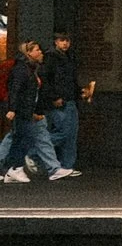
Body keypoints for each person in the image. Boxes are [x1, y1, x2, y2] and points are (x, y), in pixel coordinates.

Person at [0, 38, 72, 184]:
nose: (41, 52)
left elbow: (34, 94)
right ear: (29, 53)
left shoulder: (32, 68)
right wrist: (13, 109)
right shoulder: (22, 69)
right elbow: (16, 90)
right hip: (24, 111)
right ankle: (15, 168)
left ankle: (53, 168)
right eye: (37, 50)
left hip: (30, 110)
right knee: (19, 139)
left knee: (34, 137)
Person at [44, 29, 93, 176]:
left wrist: (79, 92)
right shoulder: (52, 58)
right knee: (64, 133)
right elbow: (48, 80)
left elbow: (70, 81)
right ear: (56, 42)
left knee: (70, 134)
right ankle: (35, 150)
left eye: (67, 41)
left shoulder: (66, 57)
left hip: (69, 99)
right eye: (62, 40)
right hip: (61, 101)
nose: (65, 43)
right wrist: (54, 97)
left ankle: (67, 166)